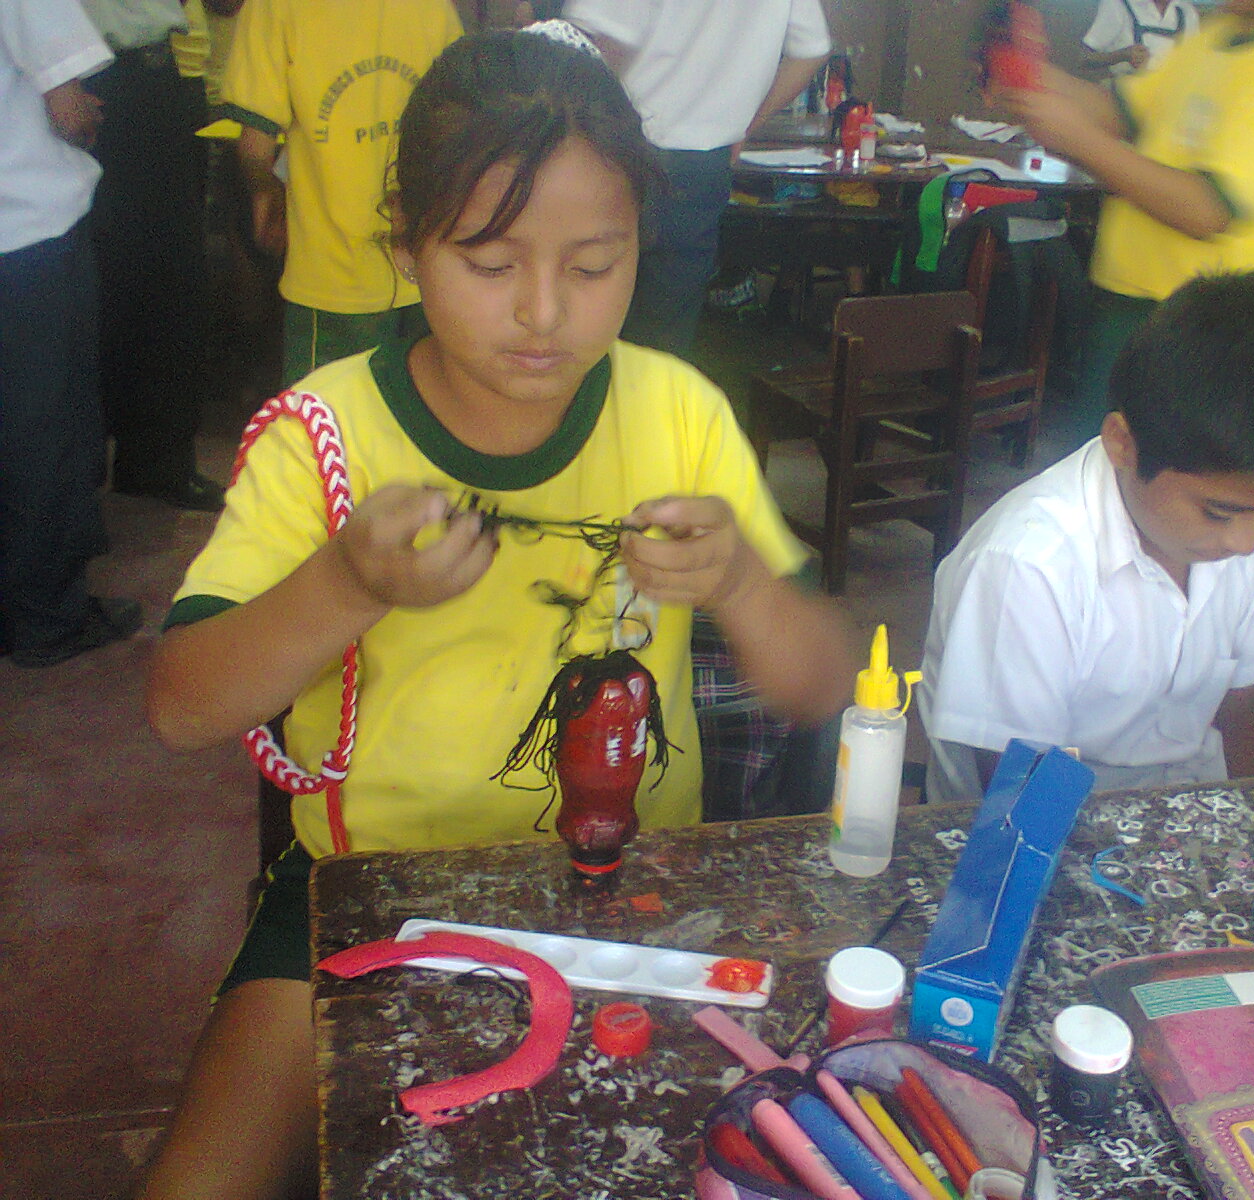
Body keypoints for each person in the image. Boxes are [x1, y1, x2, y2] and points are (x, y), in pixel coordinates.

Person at [136, 26, 854, 1198]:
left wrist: (738, 583)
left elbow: (822, 682)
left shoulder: (677, 412)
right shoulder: (325, 435)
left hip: (632, 898)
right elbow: (181, 708)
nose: (542, 313)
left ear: (640, 246)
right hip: (370, 897)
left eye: (593, 265)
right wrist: (346, 584)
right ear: (406, 245)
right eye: (488, 261)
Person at [918, 269, 1254, 803]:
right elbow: (1022, 805)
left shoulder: (1241, 519)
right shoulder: (1028, 565)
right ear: (1122, 444)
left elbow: (1246, 707)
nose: (1247, 543)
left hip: (1186, 812)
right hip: (1055, 825)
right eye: (1219, 513)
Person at [996, 0, 1254, 450]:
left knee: (1144, 472)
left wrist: (1078, 140)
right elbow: (1121, 113)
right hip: (1127, 303)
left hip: (1198, 327)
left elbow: (1205, 209)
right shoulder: (1215, 35)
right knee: (1097, 465)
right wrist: (1029, 74)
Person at [1, 0, 145, 668]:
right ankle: (46, 616)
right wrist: (89, 117)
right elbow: (69, 110)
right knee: (45, 429)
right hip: (28, 234)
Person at [562, 0, 831, 357]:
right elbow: (811, 51)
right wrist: (746, 124)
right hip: (701, 168)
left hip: (615, 149)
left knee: (576, 318)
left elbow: (599, 43)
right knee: (662, 343)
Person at [219, 0, 462, 386]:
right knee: (417, 407)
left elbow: (255, 146)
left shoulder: (275, 6)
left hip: (331, 273)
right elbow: (461, 123)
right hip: (426, 267)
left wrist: (265, 193)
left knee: (326, 414)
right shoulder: (433, 7)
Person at [79, 0, 225, 511]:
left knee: (173, 275)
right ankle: (78, 469)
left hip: (162, 73)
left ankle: (157, 462)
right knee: (95, 273)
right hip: (86, 78)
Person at [1079, 0, 1198, 78]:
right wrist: (1122, 55)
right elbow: (1084, 58)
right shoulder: (1118, 4)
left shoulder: (1186, 11)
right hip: (1125, 96)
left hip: (1169, 98)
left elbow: (1195, 63)